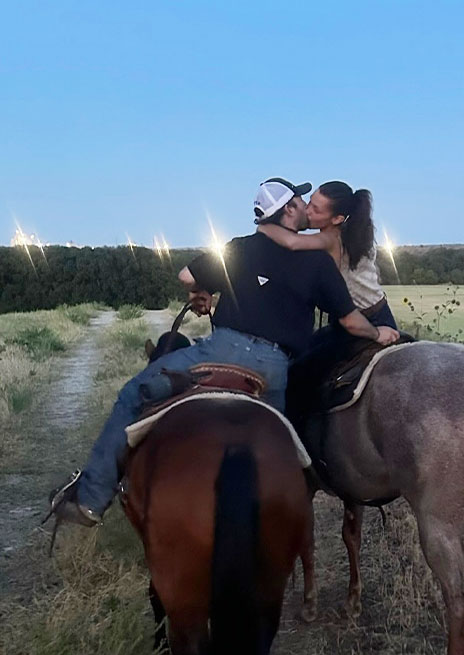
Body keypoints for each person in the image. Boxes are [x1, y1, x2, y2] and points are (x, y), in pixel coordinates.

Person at [48, 177, 400, 527]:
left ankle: (91, 498)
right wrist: (377, 332)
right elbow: (349, 320)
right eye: (302, 201)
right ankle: (293, 500)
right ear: (290, 209)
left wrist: (202, 291)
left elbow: (187, 275)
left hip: (220, 350)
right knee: (285, 440)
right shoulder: (318, 262)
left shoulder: (239, 248)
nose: (307, 207)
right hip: (275, 367)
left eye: (314, 205)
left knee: (133, 394)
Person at [258, 180, 398, 329]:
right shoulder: (351, 234)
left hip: (367, 318)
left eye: (316, 210)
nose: (307, 210)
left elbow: (292, 242)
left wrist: (263, 225)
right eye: (310, 202)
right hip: (372, 311)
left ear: (337, 219)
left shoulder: (331, 238)